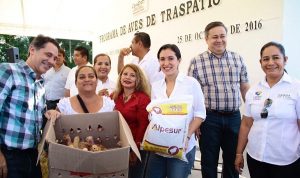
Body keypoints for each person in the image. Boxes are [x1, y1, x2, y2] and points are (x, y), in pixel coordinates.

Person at [187, 21, 250, 178]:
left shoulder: (238, 59)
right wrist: (195, 122)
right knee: (209, 161)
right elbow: (191, 95)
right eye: (215, 37)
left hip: (234, 117)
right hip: (209, 119)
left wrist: (250, 117)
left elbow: (245, 88)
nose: (219, 40)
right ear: (206, 39)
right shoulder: (196, 62)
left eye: (222, 36)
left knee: (232, 161)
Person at [234, 42, 300, 178]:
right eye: (266, 59)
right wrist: (239, 153)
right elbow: (246, 124)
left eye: (276, 58)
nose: (270, 63)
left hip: (286, 161)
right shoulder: (254, 90)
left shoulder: (296, 88)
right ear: (260, 62)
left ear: (285, 60)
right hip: (256, 158)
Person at [0, 35, 61, 178]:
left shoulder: (40, 83)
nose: (52, 61)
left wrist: (48, 112)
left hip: (33, 155)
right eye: (48, 55)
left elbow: (33, 114)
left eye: (55, 58)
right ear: (32, 50)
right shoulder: (8, 71)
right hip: (9, 156)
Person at [146, 44, 206, 178]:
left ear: (179, 60)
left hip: (182, 147)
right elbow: (153, 114)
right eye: (162, 59)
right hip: (158, 147)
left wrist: (187, 136)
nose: (166, 63)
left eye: (170, 58)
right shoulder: (156, 86)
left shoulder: (191, 83)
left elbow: (200, 114)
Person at [113, 63, 151, 178]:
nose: (127, 77)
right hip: (117, 146)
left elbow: (143, 125)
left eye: (132, 75)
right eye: (125, 74)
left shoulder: (143, 98)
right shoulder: (114, 96)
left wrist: (135, 150)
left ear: (138, 79)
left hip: (134, 146)